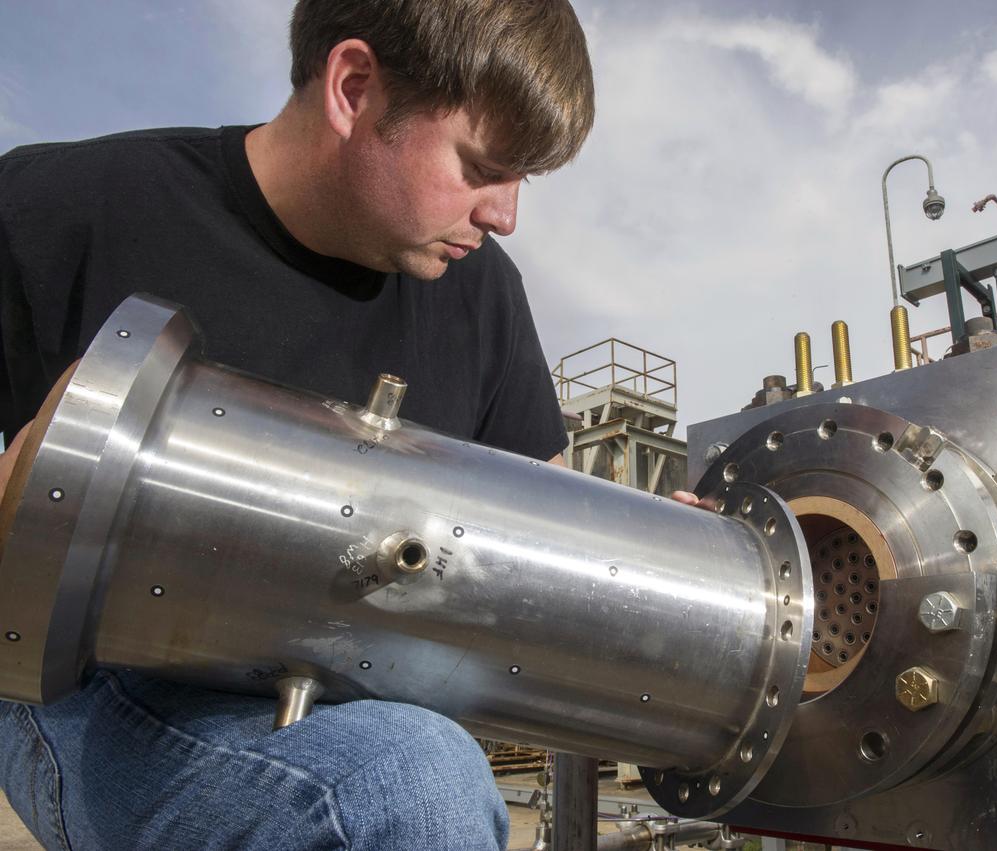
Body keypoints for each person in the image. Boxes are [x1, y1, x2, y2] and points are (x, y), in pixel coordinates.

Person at [0, 1, 594, 847]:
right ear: (353, 88)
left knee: (400, 764)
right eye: (482, 167)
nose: (505, 215)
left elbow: (560, 538)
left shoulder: (485, 296)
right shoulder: (67, 207)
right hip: (84, 684)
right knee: (406, 784)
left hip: (365, 705)